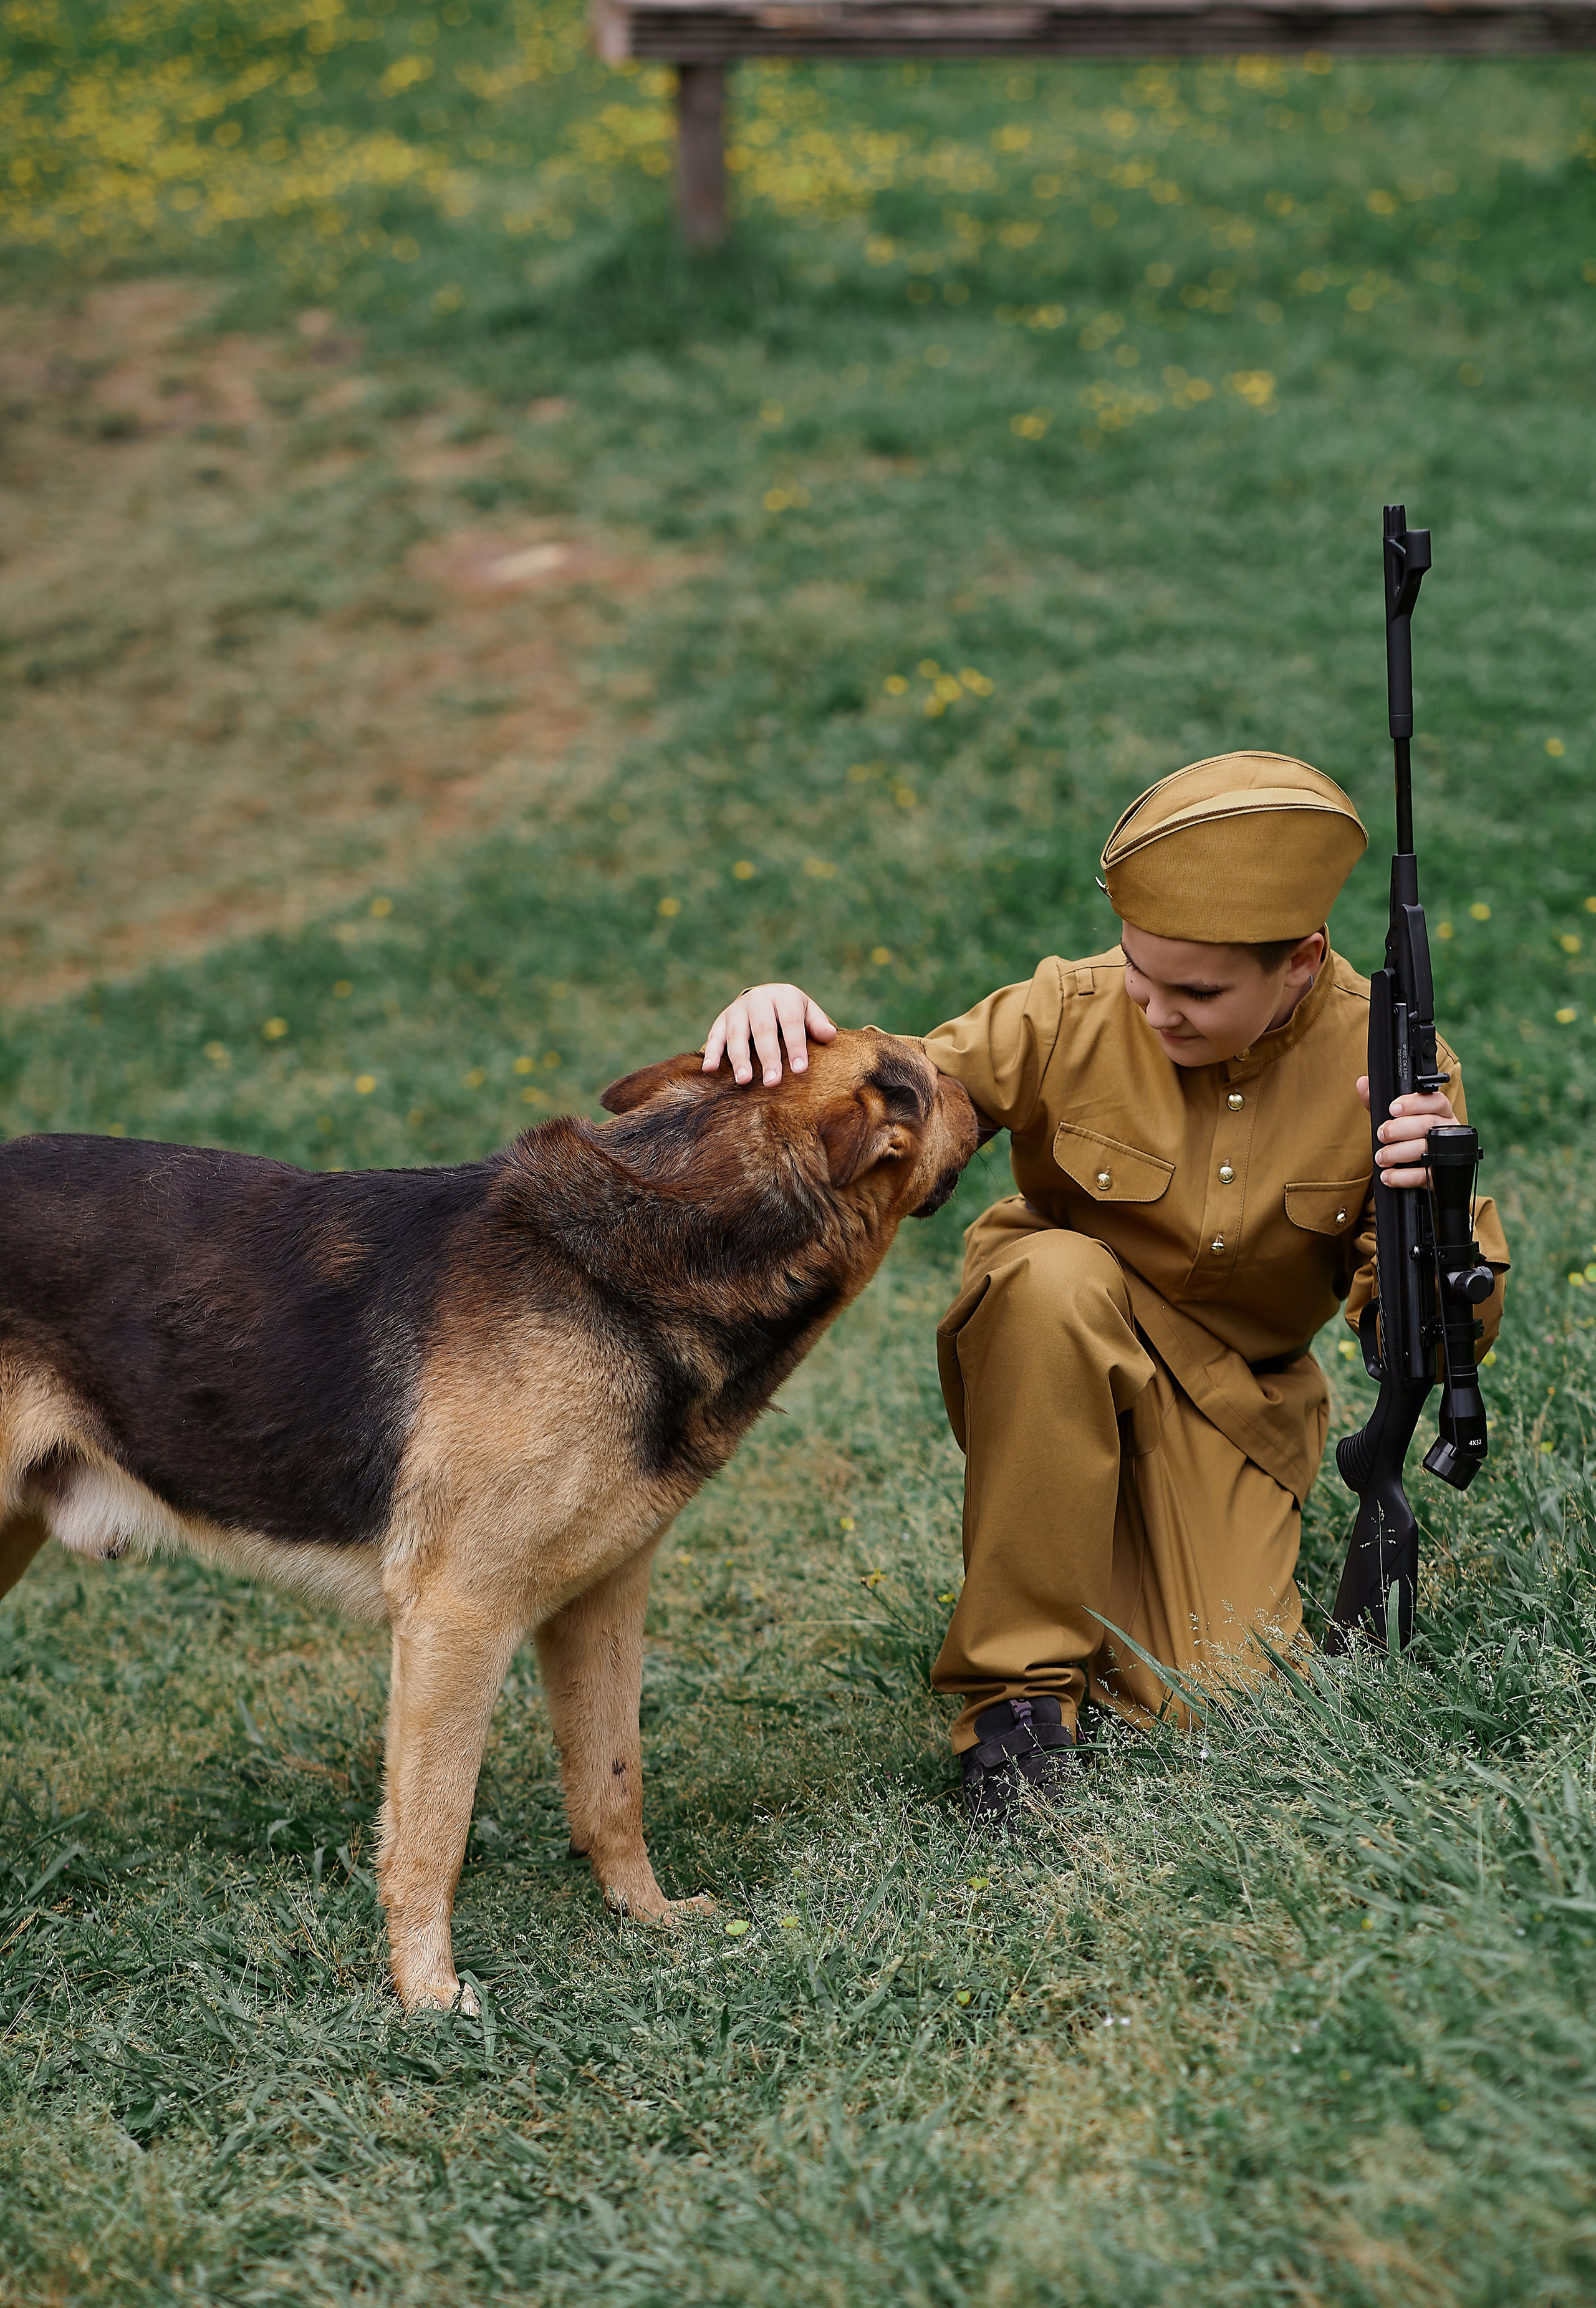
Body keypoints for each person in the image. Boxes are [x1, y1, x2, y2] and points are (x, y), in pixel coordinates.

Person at [701, 752, 1511, 1823]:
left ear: (1303, 962)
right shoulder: (1065, 1010)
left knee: (1212, 1701)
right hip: (1056, 1346)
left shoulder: (1398, 1073)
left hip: (1230, 1408)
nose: (1156, 1009)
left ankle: (1099, 1569)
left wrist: (1435, 1198)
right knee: (1052, 1274)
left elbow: (1442, 1339)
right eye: (1140, 970)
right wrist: (790, 1035)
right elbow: (906, 1094)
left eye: (1198, 992)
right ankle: (1016, 1697)